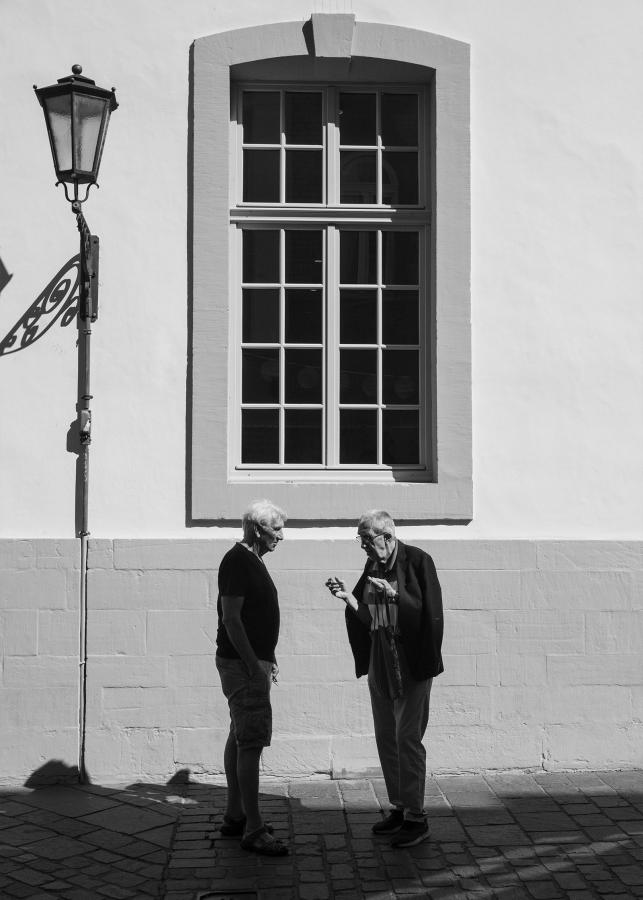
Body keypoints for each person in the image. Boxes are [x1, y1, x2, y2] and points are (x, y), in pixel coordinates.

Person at [326, 509, 443, 848]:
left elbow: (429, 613)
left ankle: (417, 817)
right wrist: (349, 597)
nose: (362, 546)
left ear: (387, 537)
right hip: (380, 661)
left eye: (367, 540)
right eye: (360, 540)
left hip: (410, 663)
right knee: (387, 737)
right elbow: (370, 617)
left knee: (407, 738)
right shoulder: (373, 566)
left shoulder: (418, 561)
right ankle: (400, 806)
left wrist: (395, 596)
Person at [215, 499, 289, 856]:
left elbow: (257, 616)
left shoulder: (252, 559)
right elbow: (232, 618)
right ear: (258, 529)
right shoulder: (237, 561)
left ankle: (236, 815)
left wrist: (267, 655)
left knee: (239, 735)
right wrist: (253, 665)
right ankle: (254, 829)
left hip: (251, 662)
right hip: (243, 666)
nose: (281, 537)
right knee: (251, 742)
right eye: (277, 530)